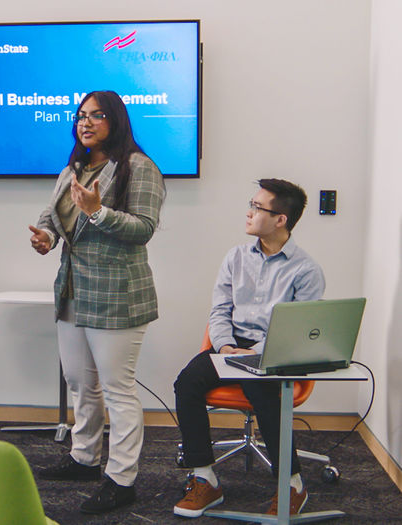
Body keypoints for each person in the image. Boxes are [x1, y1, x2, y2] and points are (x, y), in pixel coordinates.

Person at [29, 90, 165, 514]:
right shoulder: (73, 168)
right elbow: (53, 218)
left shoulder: (138, 167)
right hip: (73, 288)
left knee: (118, 390)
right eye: (81, 116)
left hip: (117, 294)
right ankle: (84, 457)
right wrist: (45, 238)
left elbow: (143, 227)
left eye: (96, 116)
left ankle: (122, 478)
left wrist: (98, 212)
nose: (86, 123)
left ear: (116, 121)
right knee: (78, 381)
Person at [172, 179, 325, 518]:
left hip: (276, 350)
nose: (249, 212)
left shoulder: (306, 270)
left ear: (280, 218)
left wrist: (256, 351)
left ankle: (292, 484)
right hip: (230, 346)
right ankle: (205, 478)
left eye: (258, 207)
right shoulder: (235, 257)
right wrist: (225, 346)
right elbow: (219, 310)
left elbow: (300, 331)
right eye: (251, 204)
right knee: (186, 383)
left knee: (261, 387)